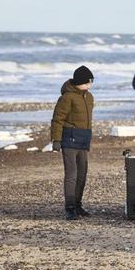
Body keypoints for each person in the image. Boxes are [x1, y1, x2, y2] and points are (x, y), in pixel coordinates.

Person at [51, 65, 95, 220]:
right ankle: (69, 207)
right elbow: (57, 119)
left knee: (82, 174)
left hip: (84, 139)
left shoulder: (89, 97)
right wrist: (56, 140)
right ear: (79, 82)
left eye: (91, 82)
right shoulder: (67, 97)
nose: (90, 85)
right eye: (88, 82)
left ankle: (78, 204)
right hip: (69, 140)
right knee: (72, 174)